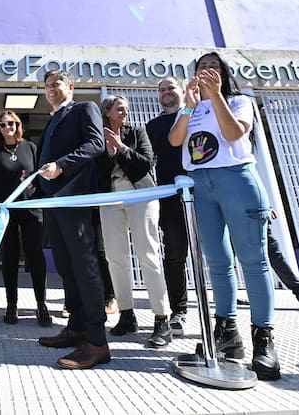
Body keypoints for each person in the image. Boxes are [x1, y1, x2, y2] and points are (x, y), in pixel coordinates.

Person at [169, 51, 280, 380]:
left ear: (224, 74)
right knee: (217, 260)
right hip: (202, 185)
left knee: (254, 260)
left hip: (237, 178)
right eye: (201, 67)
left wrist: (215, 95)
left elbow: (233, 134)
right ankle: (227, 332)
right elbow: (176, 139)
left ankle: (264, 338)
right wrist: (190, 105)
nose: (206, 71)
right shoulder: (192, 108)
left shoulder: (238, 101)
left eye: (212, 66)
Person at [36, 69, 109, 370]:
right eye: (47, 86)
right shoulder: (52, 120)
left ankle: (96, 341)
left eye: (57, 84)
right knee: (66, 267)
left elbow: (96, 144)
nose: (52, 89)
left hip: (75, 199)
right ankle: (77, 327)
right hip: (53, 202)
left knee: (84, 265)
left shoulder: (84, 109)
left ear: (70, 86)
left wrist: (61, 166)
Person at [97, 95, 172, 347]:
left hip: (141, 194)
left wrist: (121, 147)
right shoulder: (97, 134)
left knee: (148, 254)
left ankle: (162, 319)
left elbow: (146, 163)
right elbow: (95, 172)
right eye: (120, 109)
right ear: (107, 112)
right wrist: (107, 155)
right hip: (110, 197)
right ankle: (126, 315)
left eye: (126, 109)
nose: (125, 113)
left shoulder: (137, 132)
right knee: (115, 257)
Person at [0, 110, 50, 327]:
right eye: (2, 125)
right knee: (9, 258)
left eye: (11, 123)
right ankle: (11, 305)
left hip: (30, 209)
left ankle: (41, 304)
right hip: (6, 212)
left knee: (35, 255)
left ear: (17, 125)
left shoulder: (30, 147)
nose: (7, 128)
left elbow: (40, 177)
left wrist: (33, 184)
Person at [145, 77, 190, 334]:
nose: (165, 93)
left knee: (220, 255)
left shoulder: (199, 115)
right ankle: (179, 311)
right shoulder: (153, 125)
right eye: (161, 90)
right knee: (174, 255)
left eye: (170, 88)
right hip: (169, 197)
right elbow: (148, 160)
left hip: (204, 191)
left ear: (182, 91)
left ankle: (223, 315)